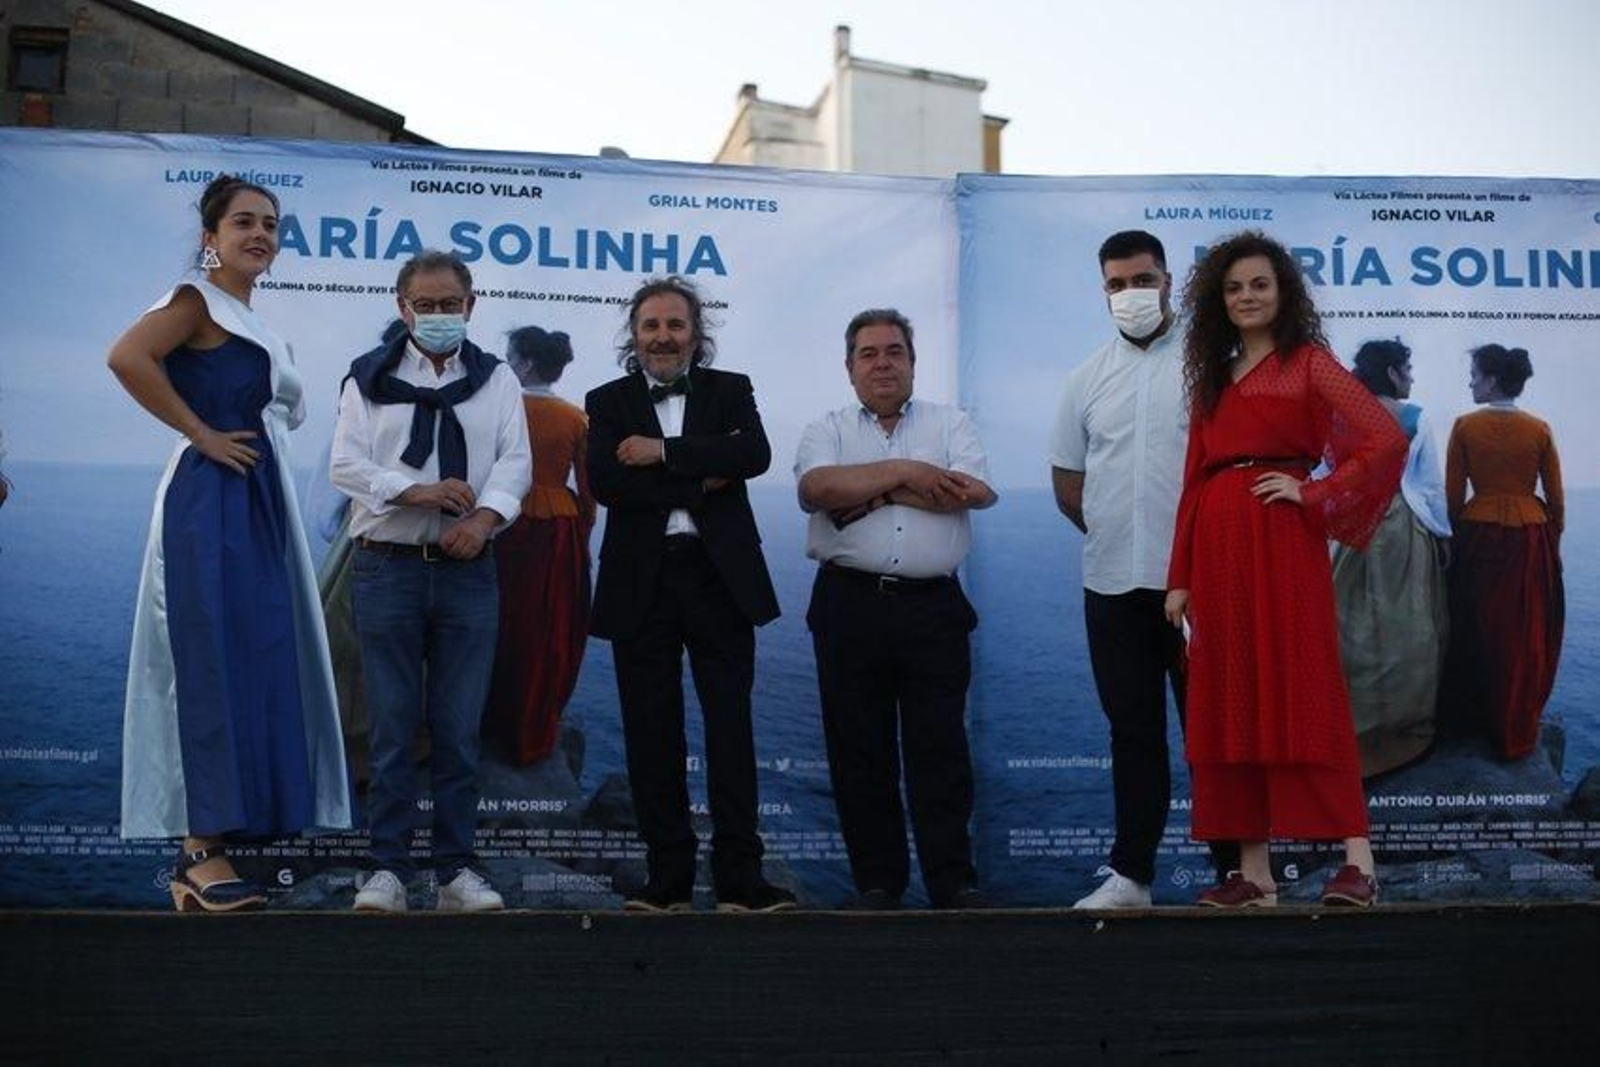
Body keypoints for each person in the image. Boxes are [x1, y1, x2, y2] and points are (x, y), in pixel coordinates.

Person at [108, 174, 350, 912]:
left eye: (270, 225)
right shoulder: (194, 299)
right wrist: (201, 433)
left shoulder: (253, 320)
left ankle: (223, 842)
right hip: (210, 501)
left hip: (259, 500)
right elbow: (127, 357)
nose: (260, 234)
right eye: (244, 222)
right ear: (210, 237)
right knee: (208, 659)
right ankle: (197, 853)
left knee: (259, 655)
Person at [1164, 231, 1405, 908]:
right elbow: (1193, 481)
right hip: (1217, 548)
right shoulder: (1213, 376)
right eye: (1233, 287)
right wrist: (1179, 576)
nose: (1246, 296)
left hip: (1282, 539)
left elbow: (1384, 438)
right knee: (1230, 696)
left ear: (1282, 292)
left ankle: (1358, 861)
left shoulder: (1309, 363)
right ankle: (1255, 874)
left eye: (1259, 284)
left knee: (1306, 687)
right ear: (1219, 300)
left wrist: (1315, 491)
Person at [586, 276, 794, 913]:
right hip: (641, 584)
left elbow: (753, 455)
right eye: (650, 325)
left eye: (675, 324)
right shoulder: (607, 400)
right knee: (652, 736)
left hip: (719, 580)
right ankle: (667, 881)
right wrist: (703, 476)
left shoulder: (731, 390)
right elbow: (609, 484)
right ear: (633, 335)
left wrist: (661, 451)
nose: (663, 336)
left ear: (696, 334)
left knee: (731, 729)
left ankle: (741, 880)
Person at [331, 250, 531, 913]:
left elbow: (515, 462)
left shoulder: (497, 380)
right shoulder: (367, 377)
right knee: (391, 730)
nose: (439, 314)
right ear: (403, 307)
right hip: (386, 567)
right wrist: (413, 490)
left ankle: (454, 872)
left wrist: (484, 519)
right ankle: (386, 870)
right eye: (426, 304)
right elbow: (345, 465)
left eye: (451, 304)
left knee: (458, 731)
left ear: (470, 306)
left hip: (469, 573)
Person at [1050, 230, 1236, 909]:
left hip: (1198, 587)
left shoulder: (1213, 364)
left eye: (1143, 279)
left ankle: (1236, 873)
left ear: (1168, 279)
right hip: (1110, 585)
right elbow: (1069, 482)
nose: (1130, 293)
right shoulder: (1084, 378)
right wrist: (1116, 533)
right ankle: (1132, 876)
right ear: (1103, 291)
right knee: (1132, 734)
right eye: (1117, 284)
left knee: (1211, 732)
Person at [796, 308, 996, 911]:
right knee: (860, 753)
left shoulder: (951, 422)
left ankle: (952, 883)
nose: (882, 363)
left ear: (912, 361)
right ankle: (878, 884)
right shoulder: (826, 428)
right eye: (869, 353)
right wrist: (910, 473)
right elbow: (817, 490)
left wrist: (870, 492)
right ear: (849, 367)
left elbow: (973, 492)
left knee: (941, 752)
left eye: (894, 351)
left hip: (933, 610)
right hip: (848, 606)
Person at [1332, 339, 1451, 777]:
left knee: (1347, 626)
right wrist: (1443, 534)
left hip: (1350, 528)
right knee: (1409, 629)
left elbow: (1327, 473)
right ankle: (1397, 732)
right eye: (1407, 369)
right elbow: (1429, 485)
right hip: (1401, 527)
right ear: (1392, 372)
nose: (1412, 377)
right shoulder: (1414, 417)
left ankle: (1346, 732)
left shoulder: (1340, 415)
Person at [1440, 344, 1564, 760]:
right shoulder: (1539, 428)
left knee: (1475, 625)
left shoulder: (1464, 427)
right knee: (1523, 632)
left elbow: (1454, 496)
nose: (1470, 382)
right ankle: (1515, 723)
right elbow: (1556, 497)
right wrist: (1552, 540)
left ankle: (1472, 718)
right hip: (1530, 537)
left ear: (1492, 380)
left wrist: (1452, 542)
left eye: (1474, 375)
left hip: (1478, 534)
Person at [483, 326, 596, 765]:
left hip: (500, 521)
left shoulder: (498, 410)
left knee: (493, 624)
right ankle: (528, 728)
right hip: (556, 532)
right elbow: (588, 492)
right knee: (542, 631)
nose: (506, 364)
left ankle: (483, 720)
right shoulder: (575, 418)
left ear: (527, 364)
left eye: (511, 358)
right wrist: (581, 537)